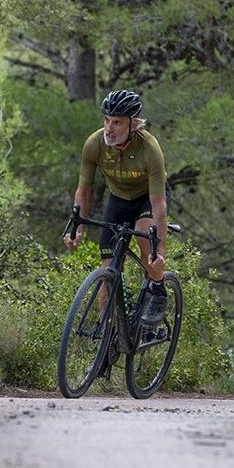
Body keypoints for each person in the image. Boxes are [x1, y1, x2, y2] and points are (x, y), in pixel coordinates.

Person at [63, 89, 170, 326]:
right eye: (106, 120)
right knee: (108, 270)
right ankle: (106, 335)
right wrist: (76, 227)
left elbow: (159, 203)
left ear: (133, 125)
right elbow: (84, 190)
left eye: (117, 123)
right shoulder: (95, 143)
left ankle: (158, 289)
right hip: (118, 199)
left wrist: (159, 251)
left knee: (144, 237)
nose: (109, 128)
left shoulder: (149, 148)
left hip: (147, 198)